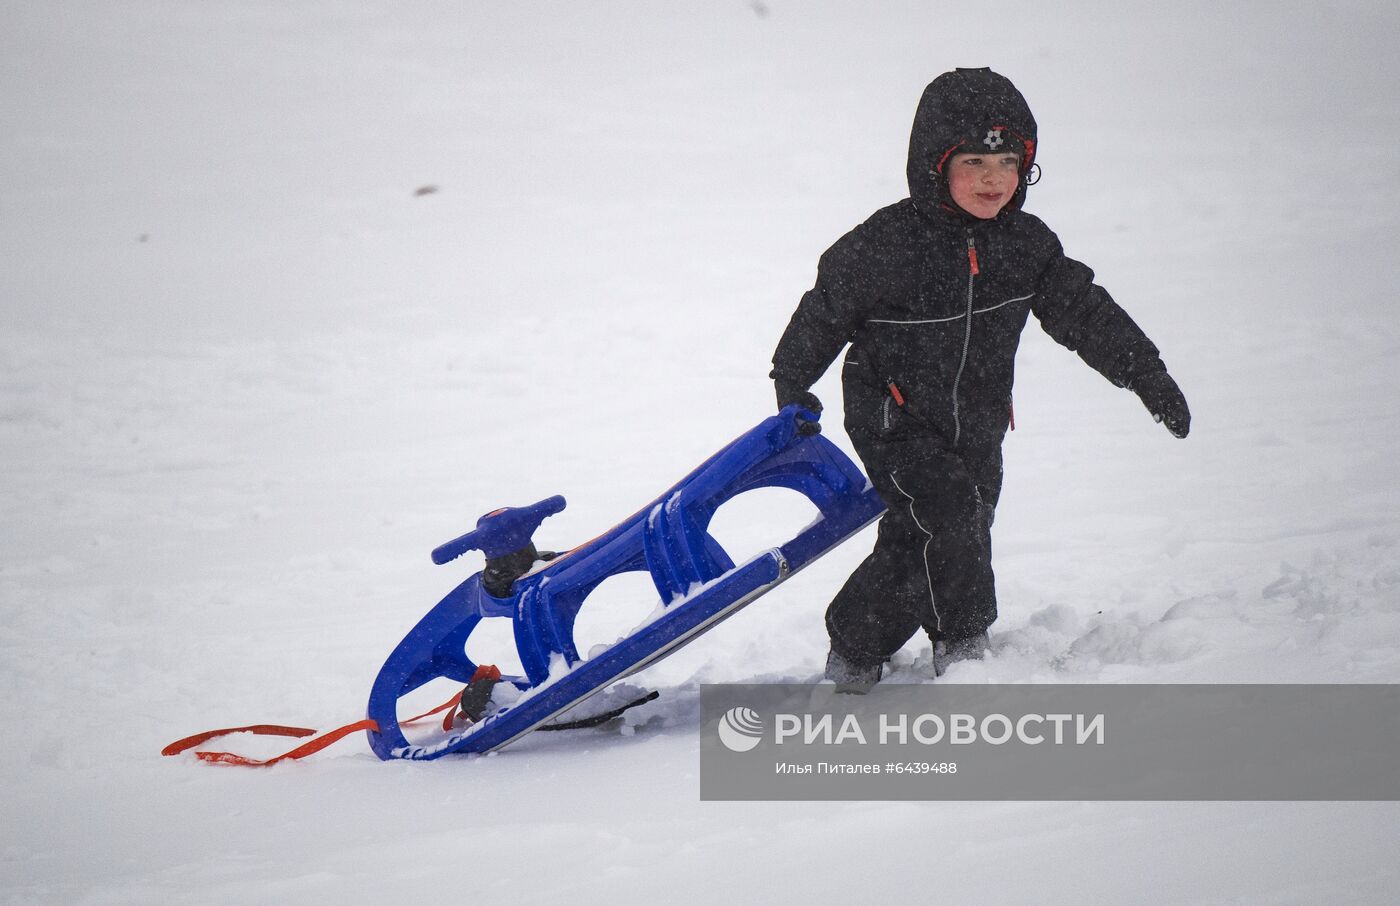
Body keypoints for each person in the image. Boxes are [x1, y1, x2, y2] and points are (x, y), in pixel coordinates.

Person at [769, 68, 1189, 692]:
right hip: (894, 417)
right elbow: (822, 312)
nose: (994, 179)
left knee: (938, 536)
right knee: (950, 516)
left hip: (979, 418)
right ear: (934, 165)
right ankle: (964, 650)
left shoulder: (1026, 246)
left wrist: (1147, 376)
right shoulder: (885, 245)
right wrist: (794, 388)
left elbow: (1086, 314)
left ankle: (855, 643)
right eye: (974, 161)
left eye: (1008, 162)